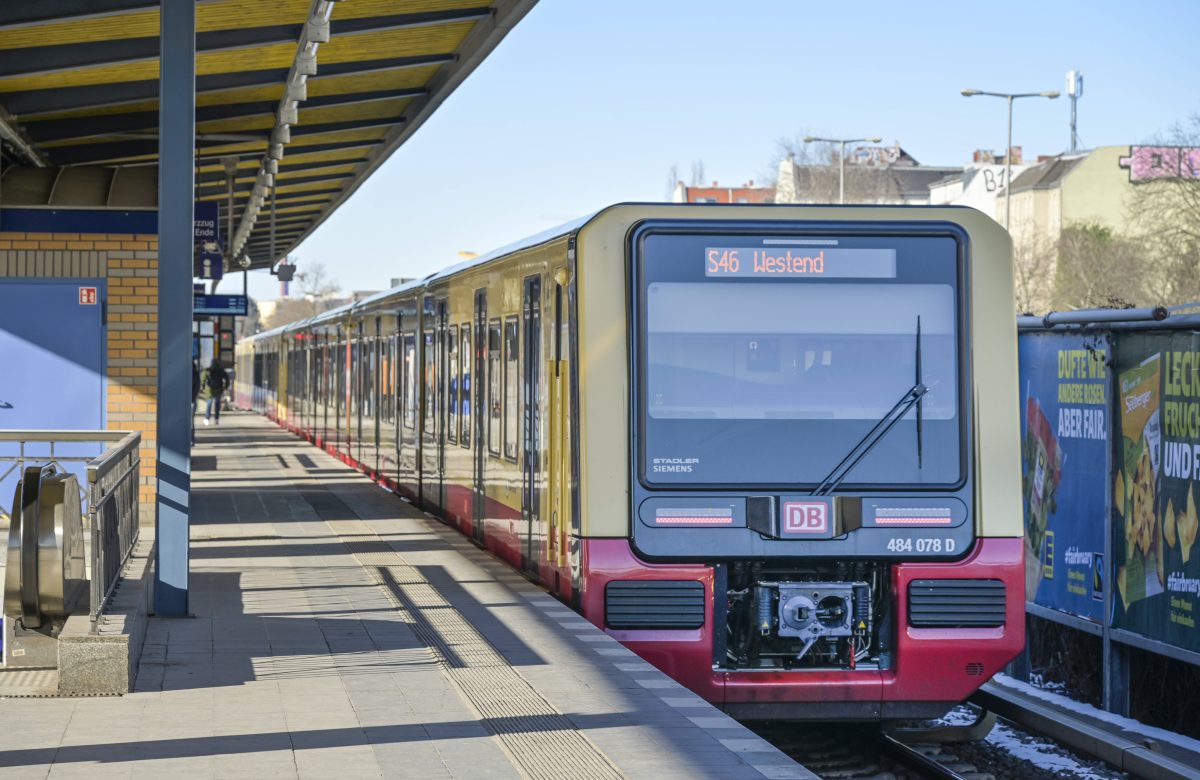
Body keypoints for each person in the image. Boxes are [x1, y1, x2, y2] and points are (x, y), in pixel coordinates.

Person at [200, 360, 229, 426]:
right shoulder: (221, 371)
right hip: (218, 389)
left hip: (209, 390)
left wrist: (203, 387)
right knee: (217, 404)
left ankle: (207, 418)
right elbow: (227, 378)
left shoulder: (207, 370)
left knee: (209, 404)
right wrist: (226, 386)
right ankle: (216, 419)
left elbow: (203, 379)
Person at [191, 361, 201, 443]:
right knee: (191, 420)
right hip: (192, 401)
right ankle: (191, 439)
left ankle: (190, 439)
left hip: (189, 401)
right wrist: (193, 398)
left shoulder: (185, 374)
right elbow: (197, 388)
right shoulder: (196, 374)